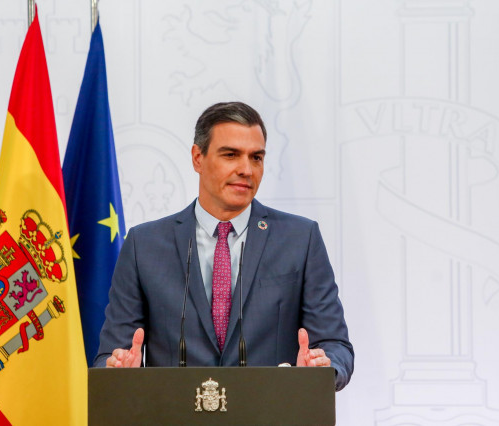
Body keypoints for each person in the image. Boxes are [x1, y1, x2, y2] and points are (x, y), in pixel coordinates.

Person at [94, 101, 354, 390]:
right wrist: (117, 368)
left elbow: (335, 345)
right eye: (231, 155)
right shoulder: (144, 245)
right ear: (198, 158)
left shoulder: (300, 239)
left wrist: (323, 367)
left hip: (270, 415)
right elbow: (111, 351)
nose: (246, 169)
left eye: (256, 158)